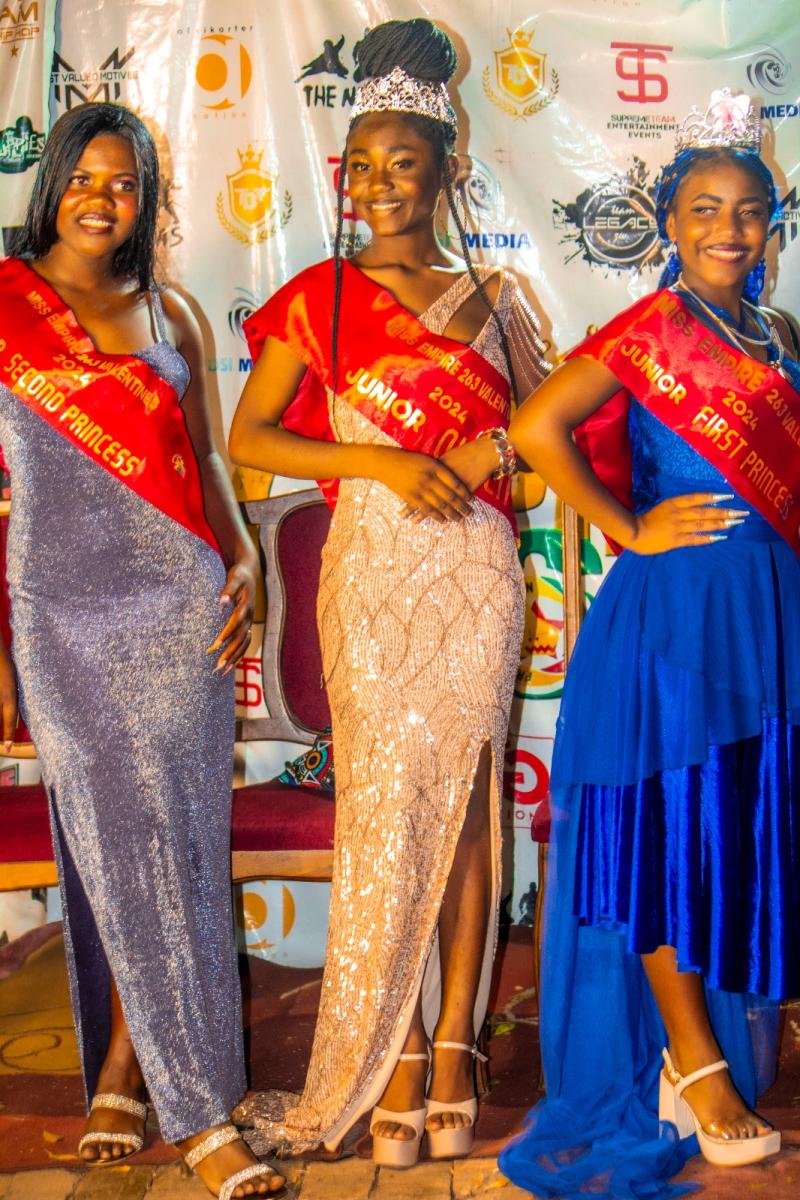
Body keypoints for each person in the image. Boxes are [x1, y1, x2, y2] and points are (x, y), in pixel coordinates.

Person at [229, 17, 549, 1168]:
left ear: (446, 169)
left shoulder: (496, 300)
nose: (374, 183)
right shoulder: (314, 299)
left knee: (463, 816)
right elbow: (249, 435)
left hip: (473, 572)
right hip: (368, 572)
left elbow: (541, 441)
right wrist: (376, 463)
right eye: (359, 163)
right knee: (382, 815)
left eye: (399, 161)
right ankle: (396, 1055)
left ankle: (453, 1045)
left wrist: (482, 452)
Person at [497, 90, 800, 1199]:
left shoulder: (778, 334)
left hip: (765, 608)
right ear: (668, 223)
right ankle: (692, 1060)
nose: (729, 228)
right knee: (669, 832)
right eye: (704, 209)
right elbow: (535, 428)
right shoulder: (646, 331)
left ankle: (709, 1043)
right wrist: (625, 525)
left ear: (771, 224)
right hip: (673, 613)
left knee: (733, 823)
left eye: (749, 210)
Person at [2, 102, 284, 1200]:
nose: (100, 199)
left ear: (145, 200)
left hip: (180, 600)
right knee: (116, 844)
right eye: (83, 177)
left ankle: (137, 1068)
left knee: (178, 844)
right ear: (52, 185)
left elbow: (206, 461)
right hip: (61, 611)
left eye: (123, 184)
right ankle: (201, 1113)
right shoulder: (8, 301)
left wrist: (244, 557)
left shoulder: (170, 309)